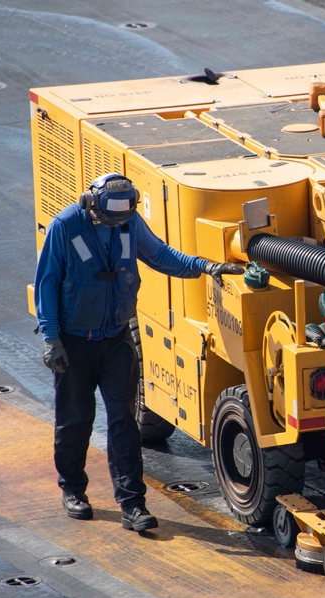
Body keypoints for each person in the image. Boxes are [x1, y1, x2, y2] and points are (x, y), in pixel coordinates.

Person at [34, 173, 242, 532]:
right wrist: (51, 339)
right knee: (75, 420)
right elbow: (47, 282)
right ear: (91, 204)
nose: (117, 225)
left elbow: (161, 256)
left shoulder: (128, 223)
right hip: (74, 344)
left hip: (116, 340)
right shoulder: (65, 227)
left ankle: (132, 504)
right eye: (110, 219)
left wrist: (204, 266)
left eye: (123, 219)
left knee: (124, 424)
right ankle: (73, 491)